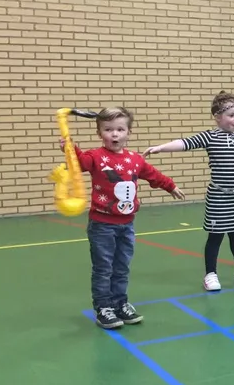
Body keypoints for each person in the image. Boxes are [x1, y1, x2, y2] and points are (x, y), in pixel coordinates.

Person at [145, 91, 234, 291]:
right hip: (218, 197)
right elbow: (185, 143)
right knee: (215, 236)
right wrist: (161, 147)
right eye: (231, 115)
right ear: (217, 117)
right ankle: (210, 274)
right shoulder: (210, 137)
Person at [68, 107, 184, 328]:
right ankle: (103, 307)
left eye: (120, 129)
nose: (114, 134)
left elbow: (153, 175)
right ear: (99, 133)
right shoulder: (95, 157)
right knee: (104, 268)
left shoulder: (135, 159)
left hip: (126, 224)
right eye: (108, 129)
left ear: (128, 132)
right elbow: (79, 163)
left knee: (121, 267)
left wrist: (170, 185)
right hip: (102, 225)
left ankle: (120, 303)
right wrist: (70, 149)